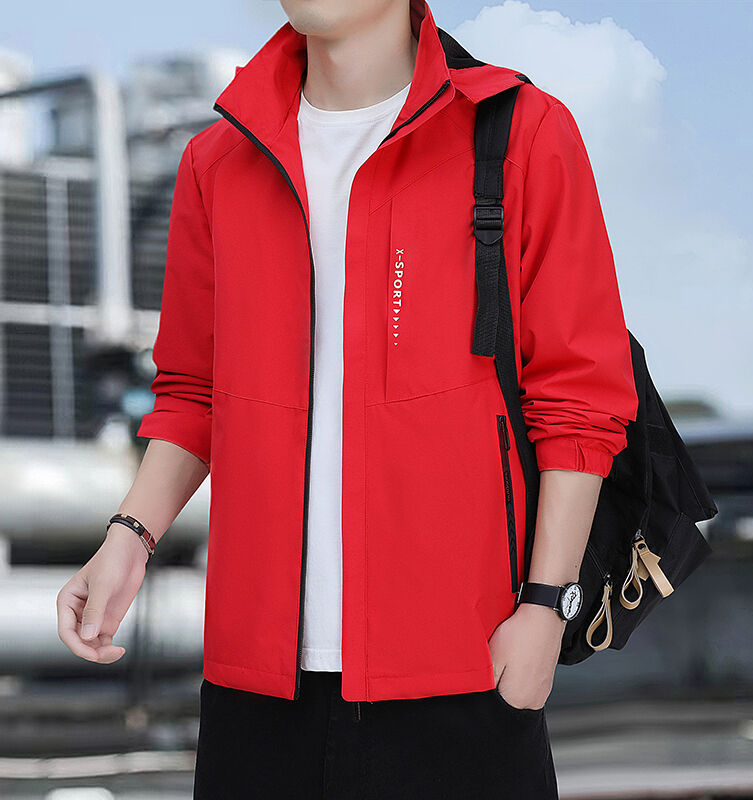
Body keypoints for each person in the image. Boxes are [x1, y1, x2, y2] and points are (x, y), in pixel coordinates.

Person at [57, 0, 639, 796]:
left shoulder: (520, 134)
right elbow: (193, 389)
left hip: (465, 670)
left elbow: (578, 399)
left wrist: (546, 606)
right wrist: (129, 536)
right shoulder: (217, 160)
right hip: (255, 689)